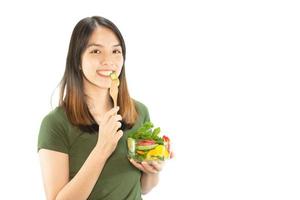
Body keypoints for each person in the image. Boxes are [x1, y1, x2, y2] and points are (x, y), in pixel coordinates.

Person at [38, 16, 167, 200]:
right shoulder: (55, 124)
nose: (109, 61)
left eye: (116, 51)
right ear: (77, 60)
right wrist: (102, 148)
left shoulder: (139, 112)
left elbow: (144, 187)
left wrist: (153, 169)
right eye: (96, 51)